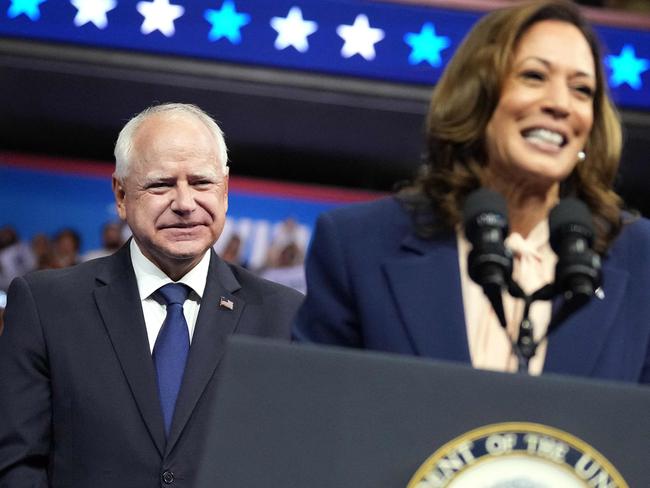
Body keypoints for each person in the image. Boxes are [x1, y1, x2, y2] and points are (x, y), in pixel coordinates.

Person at [293, 0, 650, 384]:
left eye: (582, 90)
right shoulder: (358, 244)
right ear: (477, 95)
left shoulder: (641, 258)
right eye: (533, 76)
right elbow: (315, 413)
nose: (560, 104)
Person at [0, 103, 303, 487]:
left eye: (201, 183)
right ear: (122, 195)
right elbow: (17, 464)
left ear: (225, 190)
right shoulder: (46, 306)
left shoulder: (284, 316)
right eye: (161, 184)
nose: (184, 203)